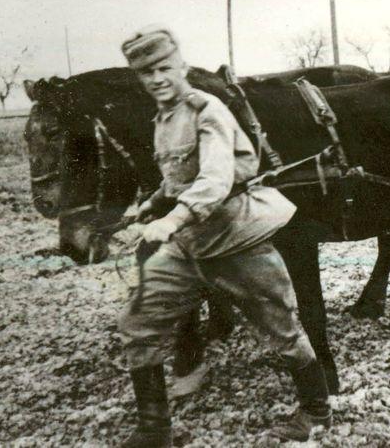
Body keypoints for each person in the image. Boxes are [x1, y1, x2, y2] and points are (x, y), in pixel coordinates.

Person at [117, 26, 332, 446]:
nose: (158, 79)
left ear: (182, 67)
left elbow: (215, 179)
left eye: (164, 68)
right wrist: (155, 201)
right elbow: (180, 174)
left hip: (235, 235)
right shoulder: (164, 119)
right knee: (137, 322)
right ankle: (154, 431)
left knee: (281, 329)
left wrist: (171, 220)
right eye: (147, 73)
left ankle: (316, 411)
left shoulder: (207, 110)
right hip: (190, 242)